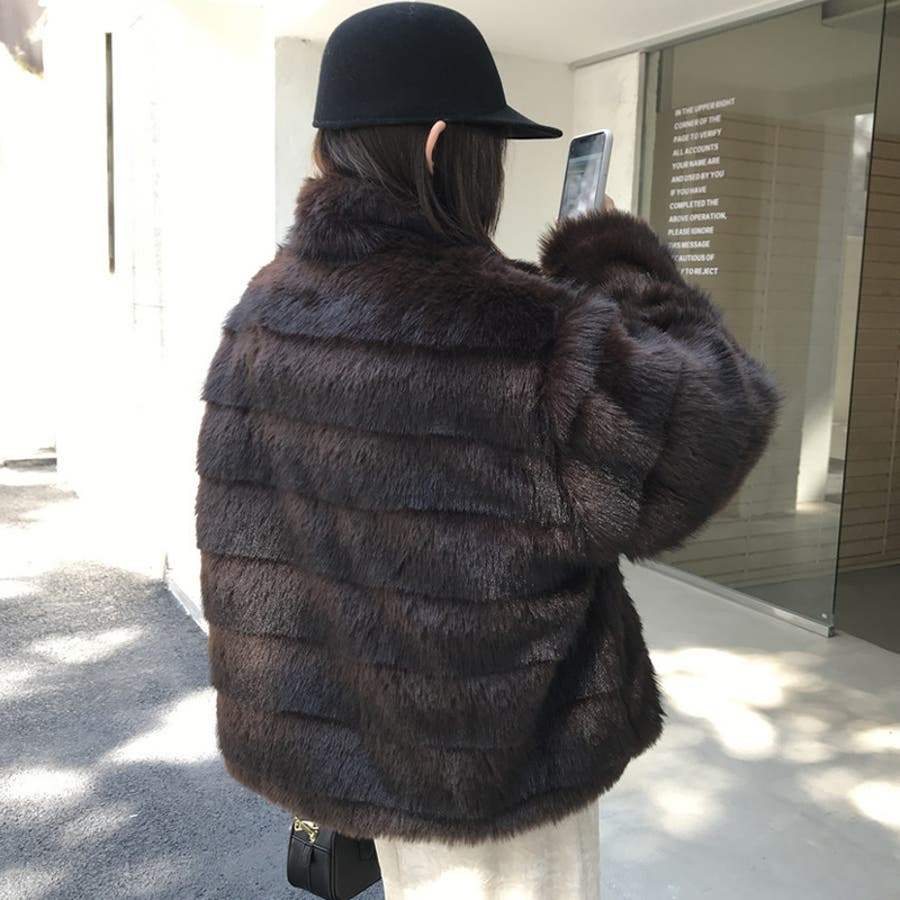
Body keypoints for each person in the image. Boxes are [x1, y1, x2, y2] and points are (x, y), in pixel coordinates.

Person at [193, 3, 784, 898]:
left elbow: (250, 534)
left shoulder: (264, 311)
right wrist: (613, 257)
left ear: (328, 151)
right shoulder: (522, 328)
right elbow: (716, 419)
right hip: (499, 756)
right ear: (441, 147)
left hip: (358, 738)